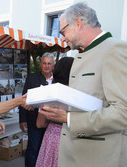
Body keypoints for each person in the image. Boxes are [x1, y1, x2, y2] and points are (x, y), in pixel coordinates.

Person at [39, 2, 127, 167]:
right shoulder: (84, 54)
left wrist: (69, 118)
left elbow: (123, 112)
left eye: (63, 31)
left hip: (96, 158)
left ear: (78, 23)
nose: (63, 38)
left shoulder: (114, 50)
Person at [35, 57, 74, 167]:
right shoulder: (79, 93)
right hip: (72, 137)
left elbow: (40, 123)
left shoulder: (49, 92)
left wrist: (53, 119)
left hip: (52, 136)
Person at [18, 52, 55, 167]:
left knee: (47, 149)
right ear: (40, 65)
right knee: (33, 148)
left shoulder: (58, 80)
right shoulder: (32, 78)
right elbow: (24, 99)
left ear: (53, 65)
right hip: (34, 120)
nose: (46, 66)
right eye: (44, 63)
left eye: (49, 63)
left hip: (52, 121)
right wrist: (22, 119)